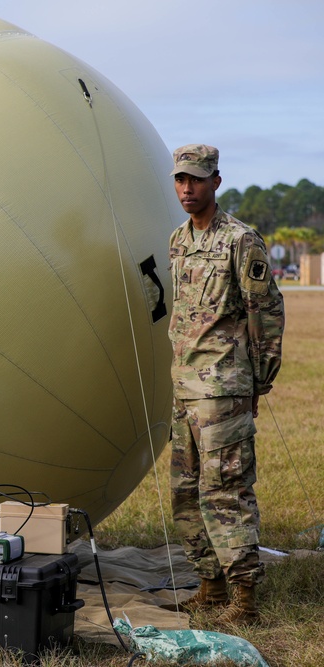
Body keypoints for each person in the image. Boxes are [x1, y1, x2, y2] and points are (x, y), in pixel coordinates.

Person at [167, 145, 284, 626]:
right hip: (184, 387)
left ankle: (245, 597)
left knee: (226, 491)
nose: (187, 189)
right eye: (180, 180)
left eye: (196, 179)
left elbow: (266, 312)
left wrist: (258, 383)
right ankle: (210, 585)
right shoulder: (177, 240)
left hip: (224, 389)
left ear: (216, 181)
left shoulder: (241, 241)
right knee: (185, 491)